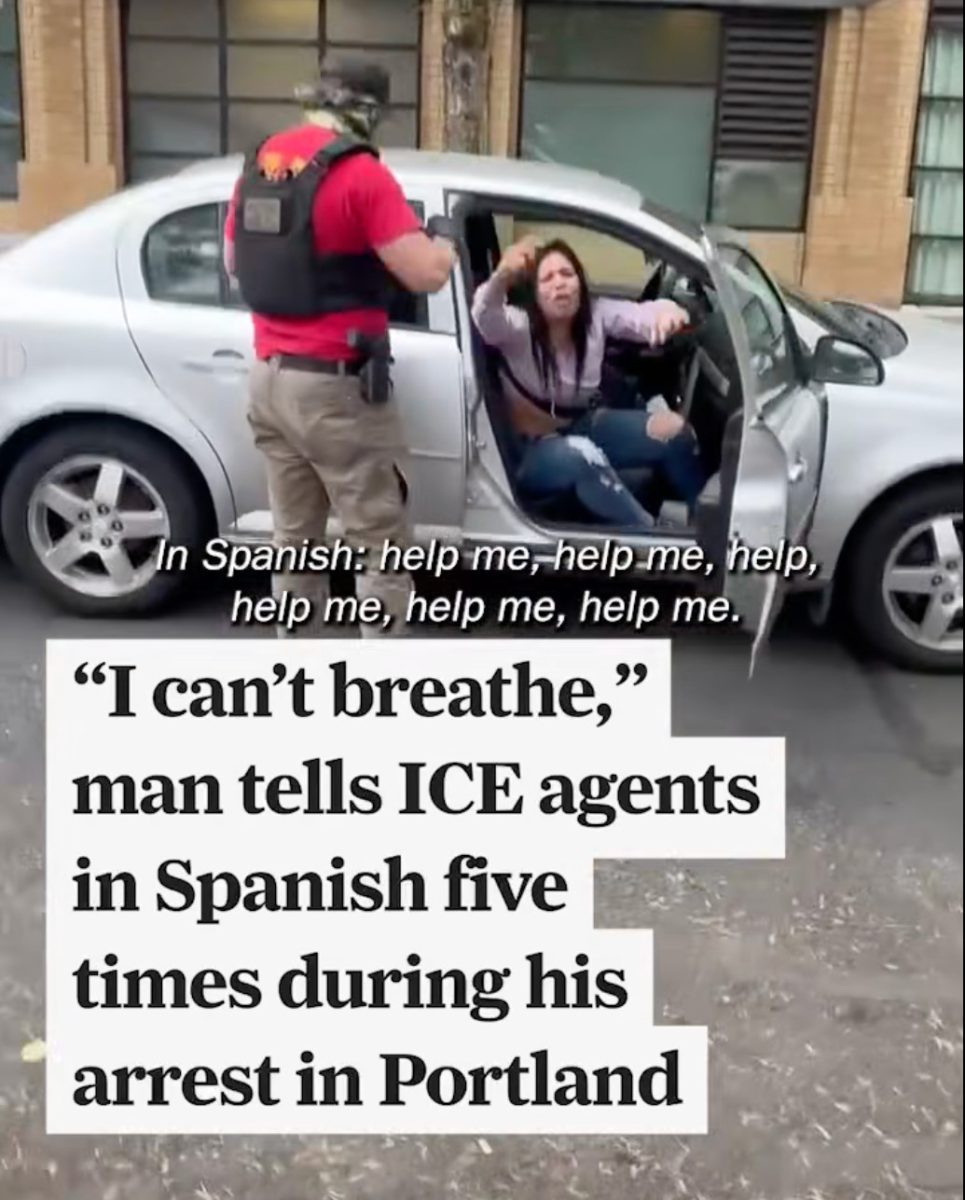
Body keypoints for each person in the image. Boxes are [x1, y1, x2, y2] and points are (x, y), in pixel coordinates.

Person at [223, 57, 455, 637]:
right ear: (370, 112)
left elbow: (233, 264)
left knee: (293, 539)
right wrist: (445, 244)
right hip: (335, 389)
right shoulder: (360, 174)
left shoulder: (261, 164)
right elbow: (425, 274)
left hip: (268, 379)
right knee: (379, 541)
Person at [471, 237, 705, 528]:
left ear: (580, 284)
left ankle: (706, 522)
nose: (559, 283)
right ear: (535, 293)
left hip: (583, 424)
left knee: (675, 431)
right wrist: (503, 276)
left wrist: (670, 313)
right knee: (585, 455)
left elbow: (642, 315)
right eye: (547, 278)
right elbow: (484, 315)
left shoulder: (596, 316)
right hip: (532, 449)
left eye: (567, 274)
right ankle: (651, 533)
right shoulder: (518, 328)